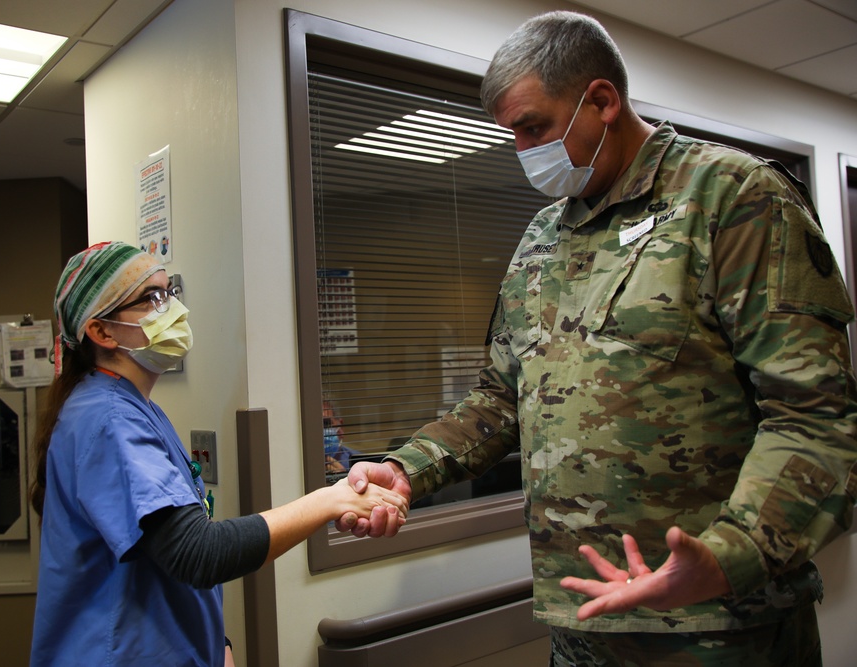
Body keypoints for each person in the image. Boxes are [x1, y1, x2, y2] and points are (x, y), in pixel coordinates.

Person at [337, 11, 857, 666]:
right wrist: (405, 466)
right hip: (580, 628)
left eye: (535, 127)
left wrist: (732, 554)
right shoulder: (540, 239)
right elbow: (500, 401)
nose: (525, 151)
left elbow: (815, 420)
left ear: (602, 101)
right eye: (512, 136)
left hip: (719, 630)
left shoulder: (733, 198)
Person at [29, 242, 407, 667]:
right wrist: (332, 498)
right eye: (152, 298)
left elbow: (165, 553)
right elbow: (196, 551)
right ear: (102, 331)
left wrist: (218, 644)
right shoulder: (108, 419)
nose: (172, 308)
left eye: (169, 291)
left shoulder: (135, 409)